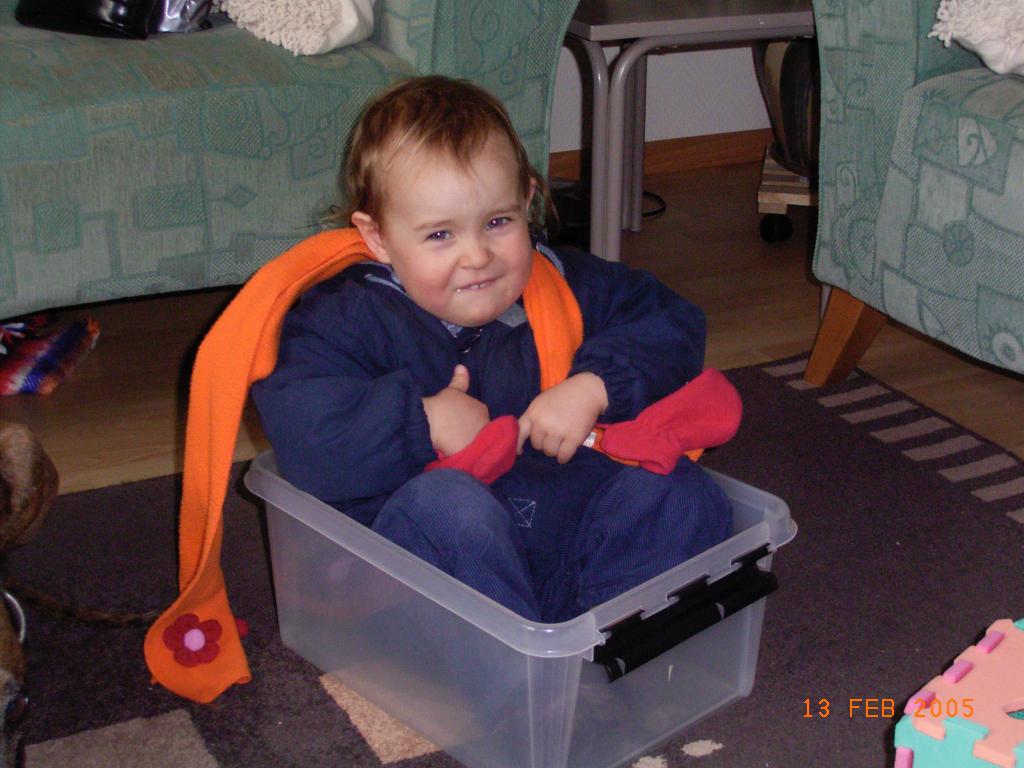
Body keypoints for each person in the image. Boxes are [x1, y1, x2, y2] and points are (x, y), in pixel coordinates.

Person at [250, 75, 732, 623]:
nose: (476, 255)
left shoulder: (566, 283)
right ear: (378, 235)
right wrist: (421, 421)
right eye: (439, 235)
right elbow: (306, 436)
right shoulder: (340, 319)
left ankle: (602, 657)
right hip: (422, 577)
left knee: (681, 495)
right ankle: (502, 692)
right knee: (450, 508)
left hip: (561, 556)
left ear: (528, 199)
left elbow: (673, 322)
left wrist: (595, 386)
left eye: (498, 222)